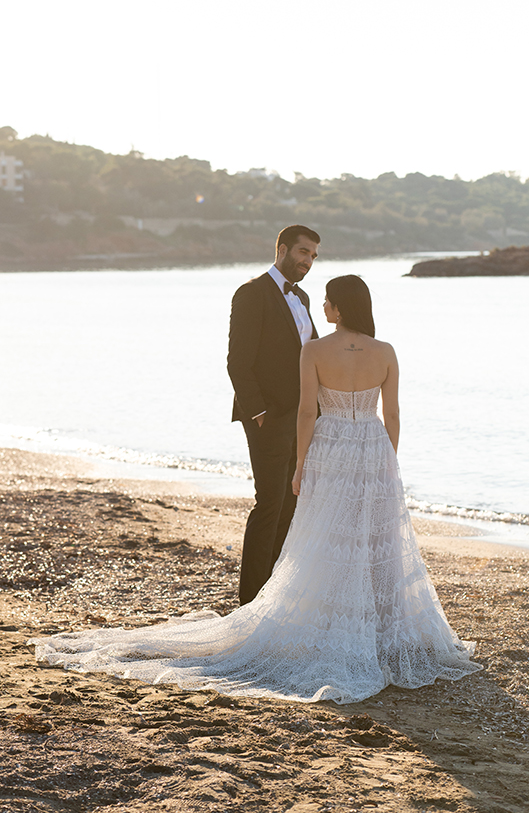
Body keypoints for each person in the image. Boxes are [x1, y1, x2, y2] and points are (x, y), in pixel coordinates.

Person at [32, 274, 481, 704]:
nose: (321, 305)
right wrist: (389, 459)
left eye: (327, 299)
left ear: (339, 307)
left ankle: (327, 623)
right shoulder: (385, 351)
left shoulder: (315, 351)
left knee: (323, 537)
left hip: (330, 446)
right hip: (372, 446)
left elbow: (307, 413)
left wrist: (302, 463)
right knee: (376, 537)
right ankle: (383, 630)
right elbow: (394, 414)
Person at [227, 224, 320, 605]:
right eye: (302, 252)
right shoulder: (252, 293)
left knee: (292, 502)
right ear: (281, 248)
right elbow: (238, 361)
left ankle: (274, 597)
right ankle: (249, 601)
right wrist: (260, 413)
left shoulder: (304, 299)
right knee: (269, 503)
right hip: (268, 417)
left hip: (303, 418)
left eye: (313, 256)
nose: (307, 261)